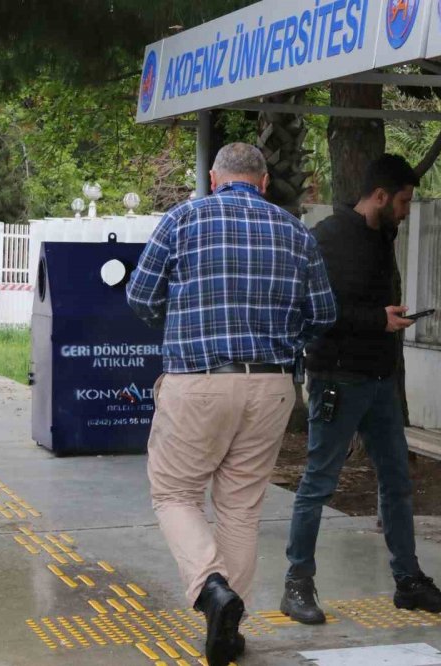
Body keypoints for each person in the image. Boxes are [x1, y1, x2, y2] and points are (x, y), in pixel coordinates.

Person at [126, 142, 337, 666]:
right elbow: (323, 314)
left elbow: (140, 296)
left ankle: (211, 588)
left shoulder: (182, 218)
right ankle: (228, 630)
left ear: (215, 179)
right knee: (240, 507)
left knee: (175, 494)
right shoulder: (296, 231)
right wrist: (285, 341)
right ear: (263, 183)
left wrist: (180, 323)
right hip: (271, 386)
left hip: (197, 380)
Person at [281, 154, 441, 624]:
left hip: (381, 381)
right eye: (402, 201)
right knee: (318, 483)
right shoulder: (327, 238)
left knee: (398, 483)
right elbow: (312, 311)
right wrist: (375, 320)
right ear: (379, 195)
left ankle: (409, 580)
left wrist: (389, 320)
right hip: (338, 380)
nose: (406, 210)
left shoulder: (384, 234)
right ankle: (297, 583)